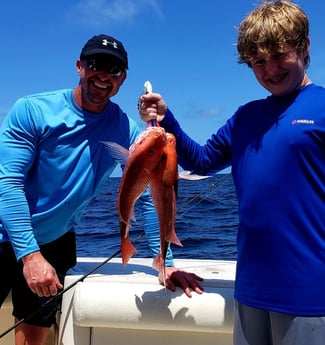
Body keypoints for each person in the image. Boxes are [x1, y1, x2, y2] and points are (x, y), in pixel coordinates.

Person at [139, 1, 325, 344]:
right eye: (258, 61)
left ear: (304, 46)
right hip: (251, 288)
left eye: (279, 54)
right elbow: (203, 160)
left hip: (311, 292)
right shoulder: (245, 117)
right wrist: (167, 120)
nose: (269, 69)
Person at [0, 34, 203, 345]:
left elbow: (148, 197)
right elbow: (7, 182)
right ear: (80, 66)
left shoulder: (124, 129)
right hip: (5, 233)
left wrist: (166, 262)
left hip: (55, 240)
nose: (104, 75)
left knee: (34, 335)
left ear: (123, 78)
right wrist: (29, 255)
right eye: (96, 64)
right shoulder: (33, 111)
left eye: (114, 69)